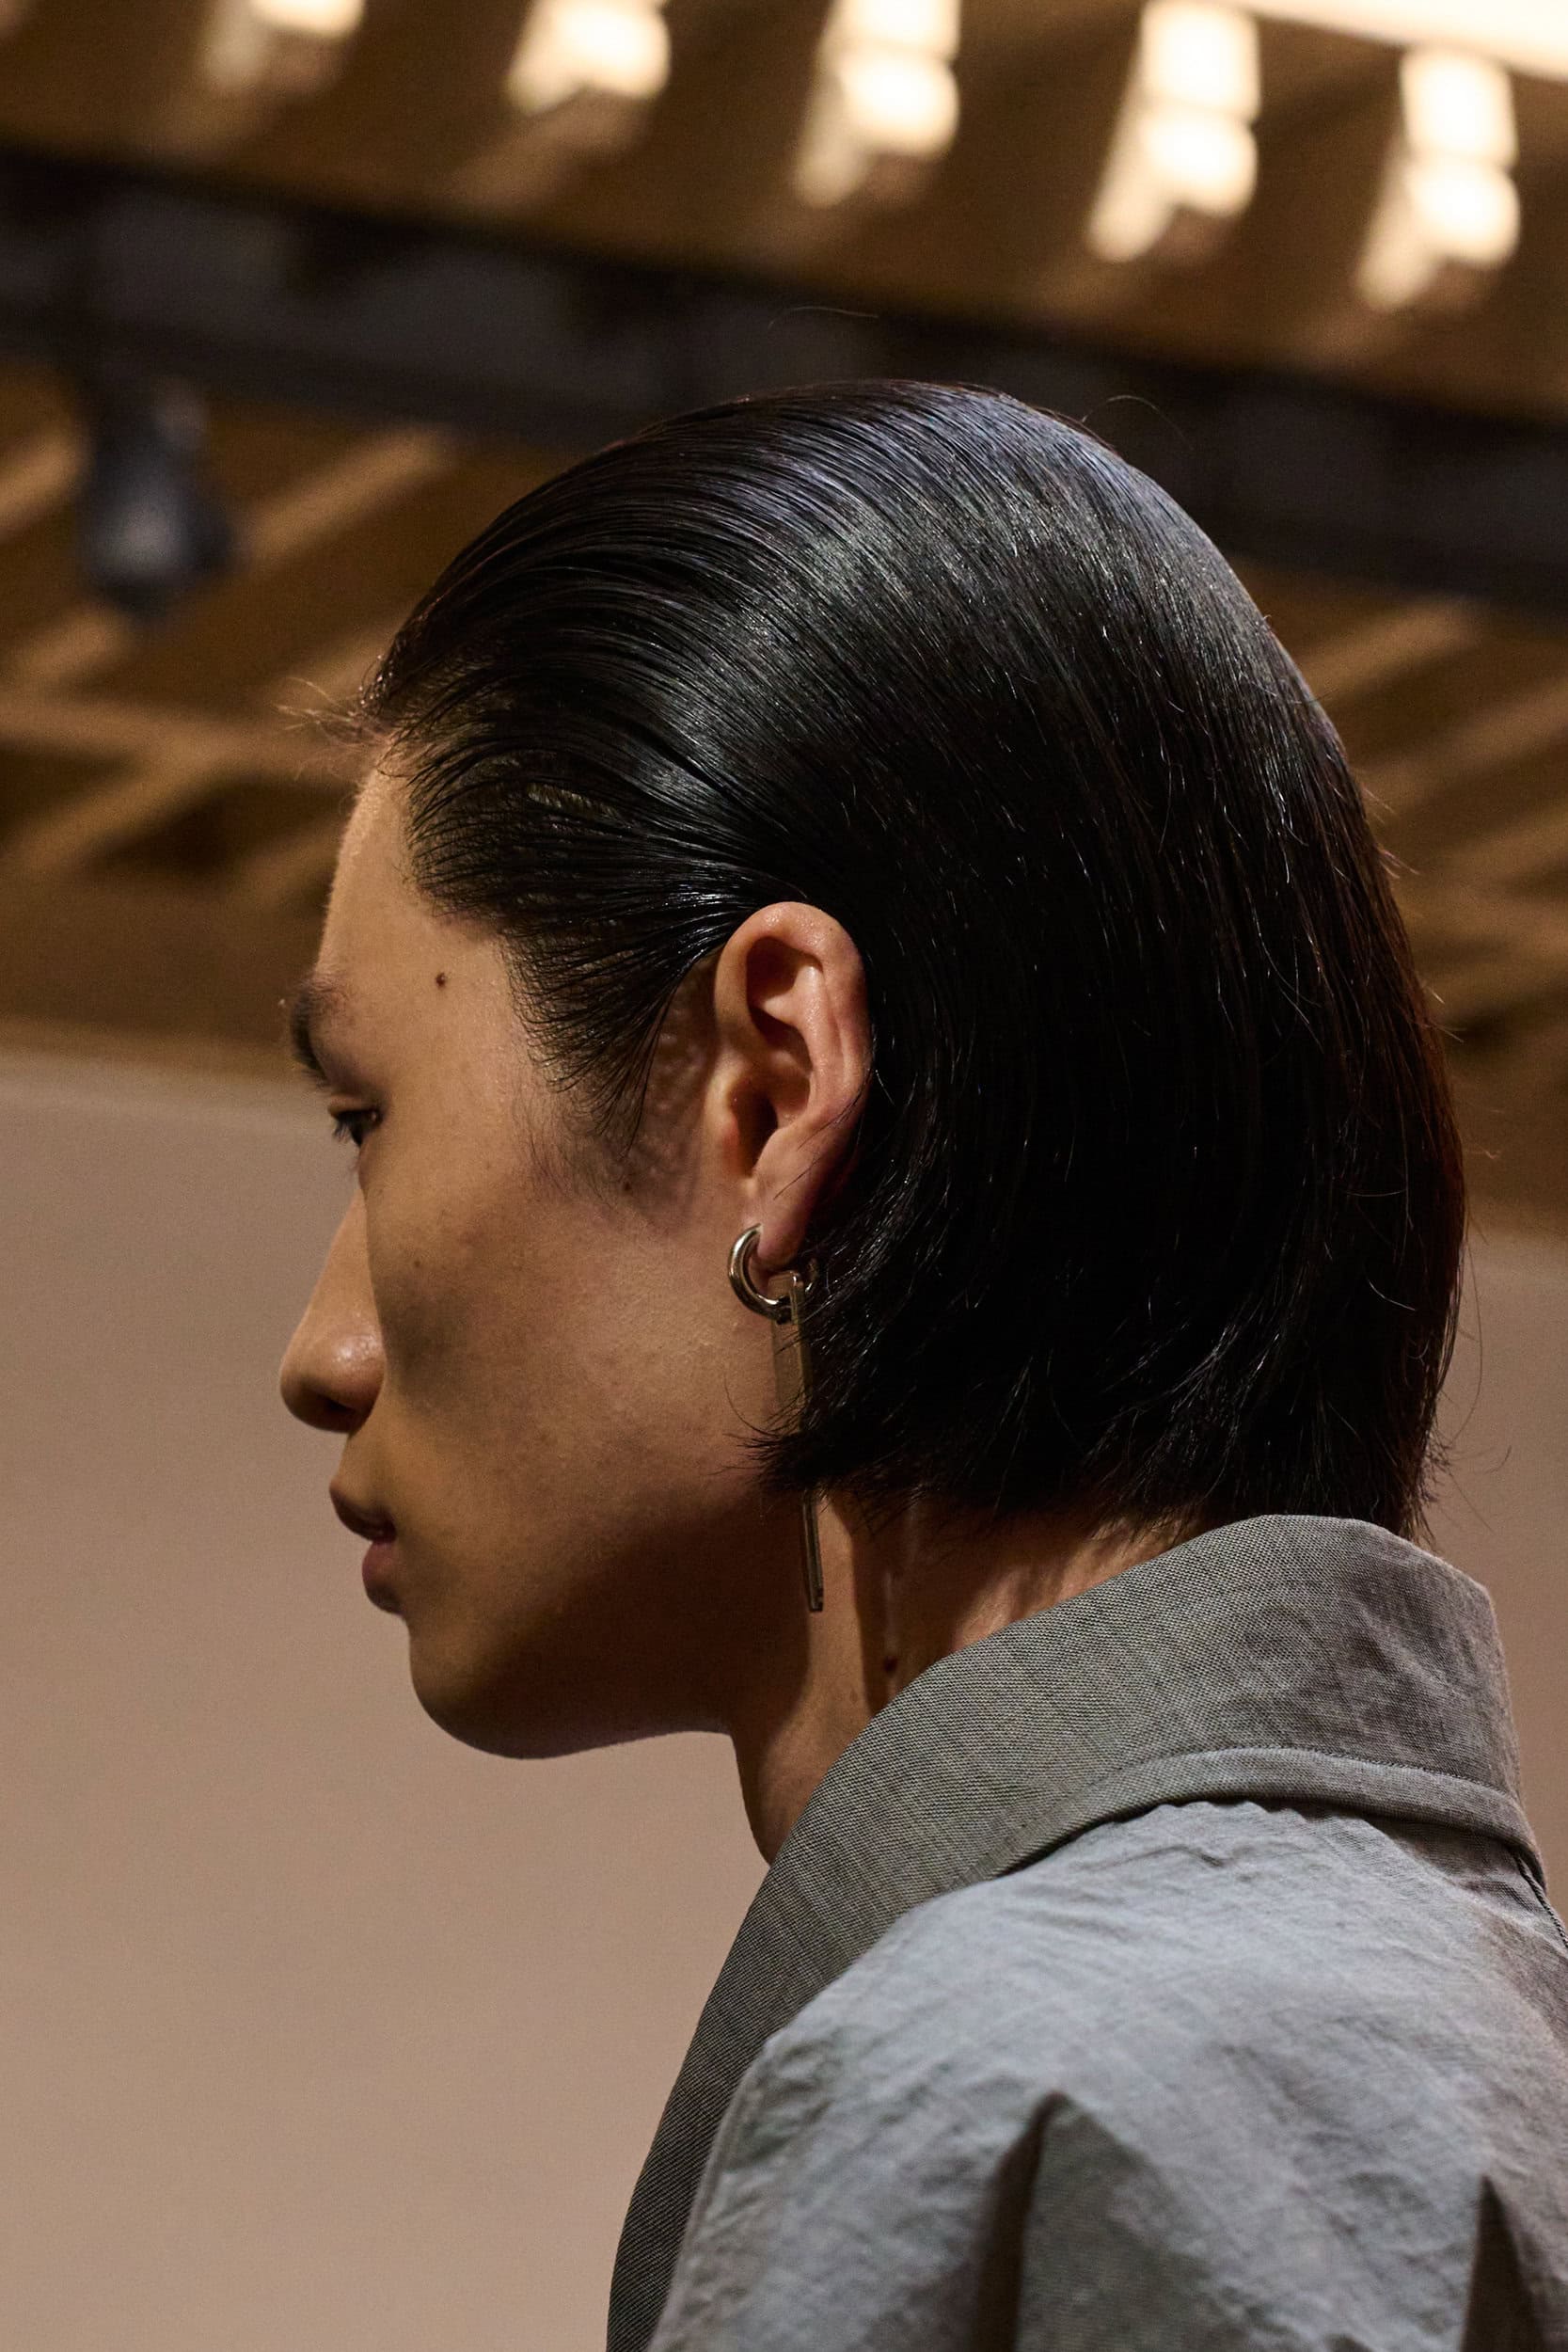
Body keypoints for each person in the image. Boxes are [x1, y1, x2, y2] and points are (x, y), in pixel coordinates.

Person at [277, 379, 1568, 2350]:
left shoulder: (1046, 2102)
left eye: (368, 1118)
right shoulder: (1444, 2036)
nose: (323, 1348)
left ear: (771, 1087)